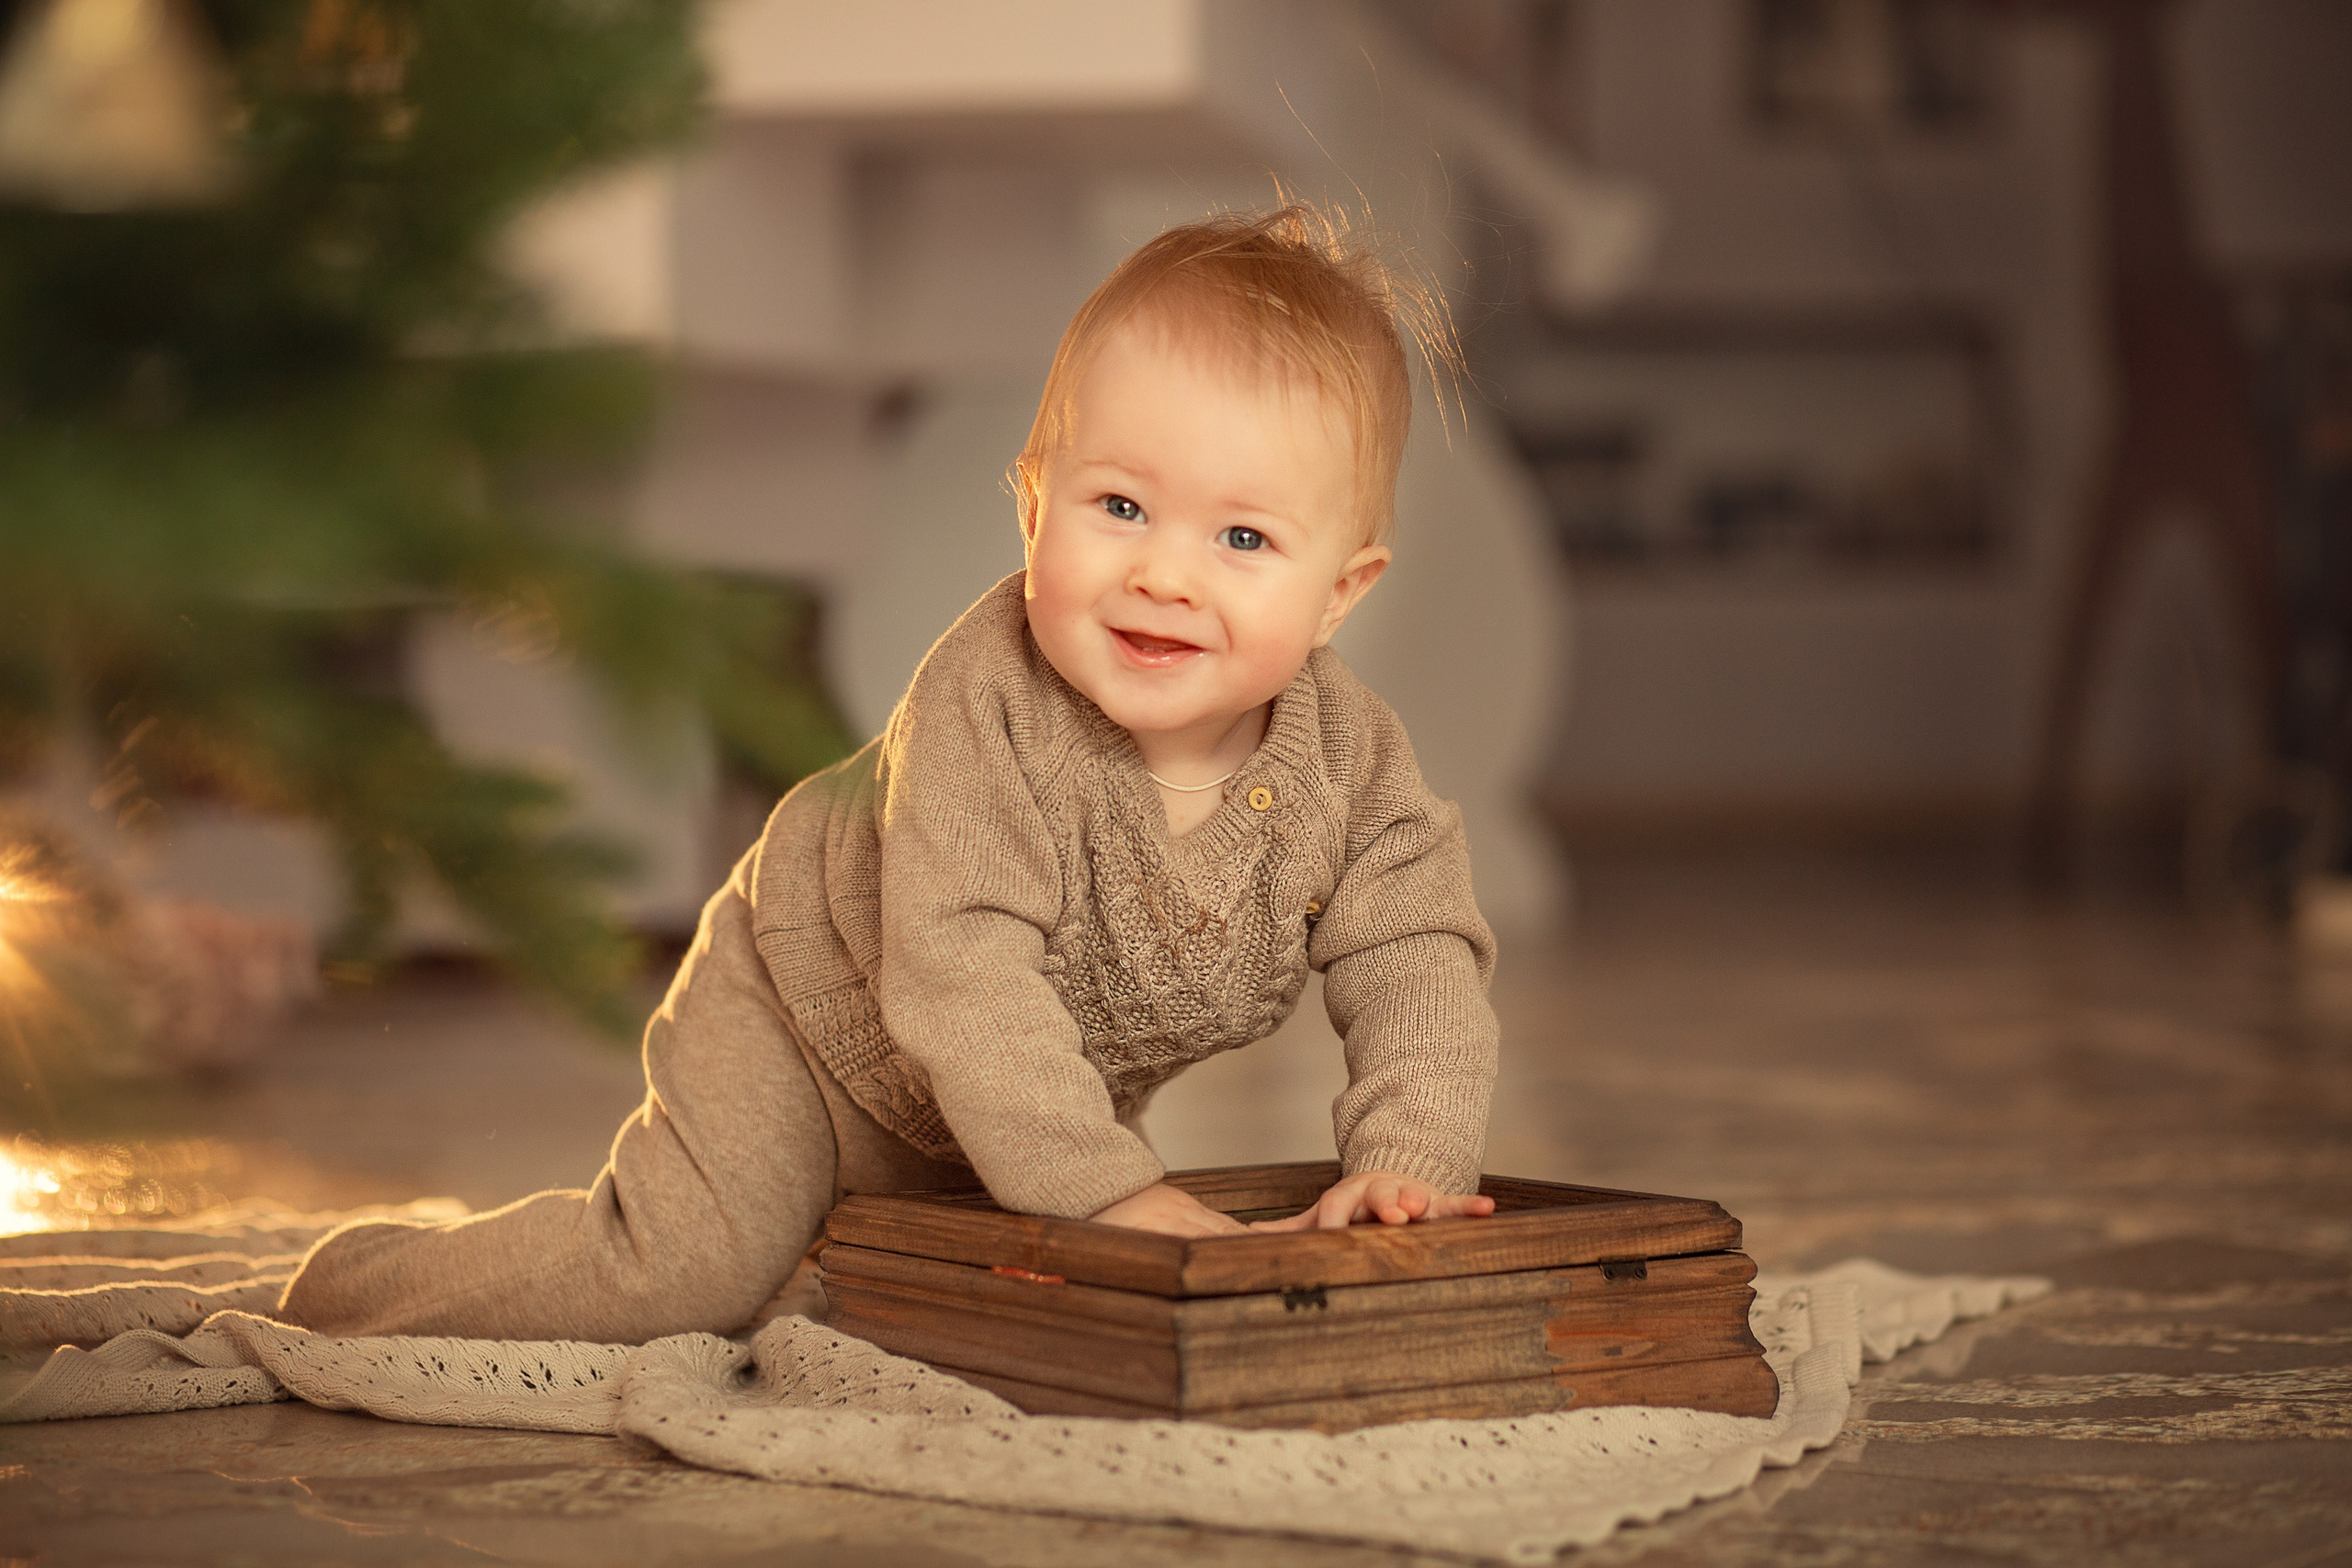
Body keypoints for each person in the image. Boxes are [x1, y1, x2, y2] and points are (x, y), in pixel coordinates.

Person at [277, 205, 1502, 1343]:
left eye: (1242, 538)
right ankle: (353, 1288)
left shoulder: (1355, 771)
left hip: (1000, 1103)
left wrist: (1412, 1162)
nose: (1166, 575)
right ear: (1034, 508)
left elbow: (1420, 960)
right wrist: (1108, 1194)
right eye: (1120, 505)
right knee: (686, 1273)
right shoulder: (989, 707)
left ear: (1341, 591)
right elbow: (964, 983)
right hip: (805, 1020)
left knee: (956, 1312)